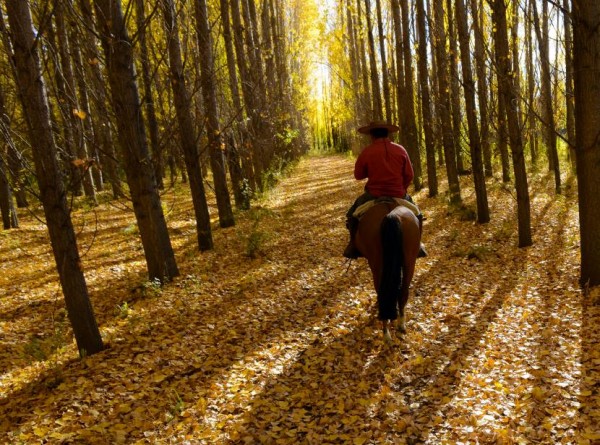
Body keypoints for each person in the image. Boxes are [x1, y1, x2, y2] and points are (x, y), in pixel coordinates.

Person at [343, 121, 427, 259]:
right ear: (388, 133)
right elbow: (409, 175)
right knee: (417, 214)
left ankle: (352, 245)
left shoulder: (367, 151)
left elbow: (358, 175)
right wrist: (401, 189)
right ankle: (417, 245)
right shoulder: (401, 150)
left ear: (372, 136)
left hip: (373, 195)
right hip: (398, 194)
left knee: (352, 214)